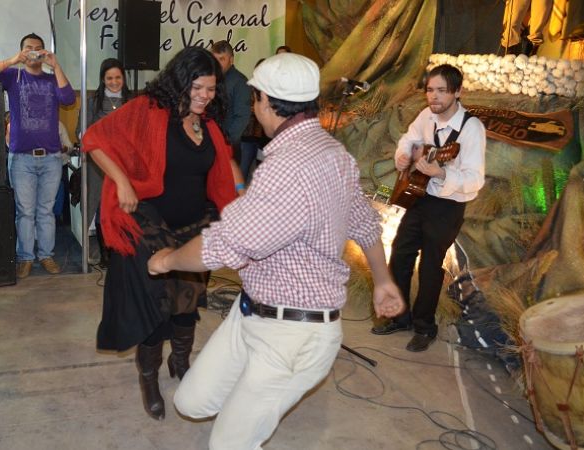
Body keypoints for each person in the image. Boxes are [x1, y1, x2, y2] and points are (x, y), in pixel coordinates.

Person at [146, 52, 404, 449]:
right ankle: (249, 400)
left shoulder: (288, 167)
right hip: (251, 310)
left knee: (228, 444)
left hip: (294, 334)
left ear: (265, 101)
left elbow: (224, 244)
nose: (254, 107)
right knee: (191, 402)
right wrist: (383, 281)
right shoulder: (333, 153)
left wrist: (166, 260)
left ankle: (251, 409)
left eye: (255, 98)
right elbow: (366, 223)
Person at [82, 46, 239, 421]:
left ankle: (180, 362)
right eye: (197, 88)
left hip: (194, 226)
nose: (205, 96)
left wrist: (241, 194)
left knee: (186, 305)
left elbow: (223, 164)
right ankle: (149, 377)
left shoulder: (208, 123)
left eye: (211, 89)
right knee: (155, 306)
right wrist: (121, 181)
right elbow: (94, 138)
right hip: (151, 225)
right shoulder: (148, 109)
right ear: (180, 82)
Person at [371, 64, 486, 352]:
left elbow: (475, 179)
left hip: (449, 205)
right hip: (420, 196)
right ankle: (399, 317)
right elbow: (408, 140)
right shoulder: (426, 116)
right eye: (430, 90)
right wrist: (403, 156)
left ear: (457, 92)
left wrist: (442, 173)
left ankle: (425, 327)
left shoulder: (471, 128)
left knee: (430, 264)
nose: (433, 97)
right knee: (400, 253)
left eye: (441, 91)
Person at [0, 33, 76, 279]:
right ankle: (25, 258)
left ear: (44, 52)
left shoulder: (52, 79)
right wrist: (13, 60)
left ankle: (46, 255)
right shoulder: (14, 76)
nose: (33, 52)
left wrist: (56, 65)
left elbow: (68, 99)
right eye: (29, 48)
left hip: (51, 158)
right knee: (25, 212)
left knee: (46, 212)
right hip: (21, 158)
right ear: (22, 51)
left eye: (38, 48)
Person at [76, 58, 133, 266]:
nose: (114, 82)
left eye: (118, 77)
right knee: (102, 207)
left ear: (123, 78)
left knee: (124, 206)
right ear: (103, 79)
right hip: (98, 166)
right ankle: (106, 254)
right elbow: (81, 133)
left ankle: (123, 252)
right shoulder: (93, 103)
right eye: (109, 78)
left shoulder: (133, 102)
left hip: (126, 164)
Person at [211, 41, 251, 163]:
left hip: (228, 145)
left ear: (231, 60)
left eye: (222, 59)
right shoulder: (211, 79)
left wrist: (226, 141)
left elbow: (242, 117)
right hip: (212, 141)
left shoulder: (240, 81)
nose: (217, 64)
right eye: (214, 59)